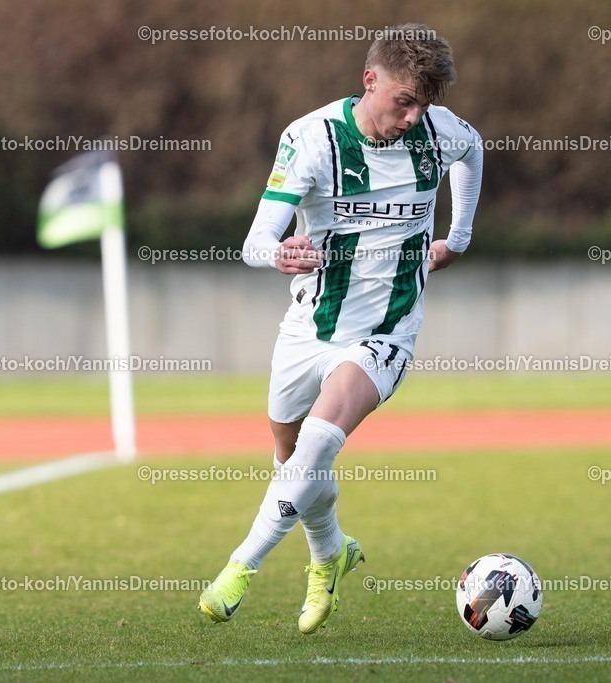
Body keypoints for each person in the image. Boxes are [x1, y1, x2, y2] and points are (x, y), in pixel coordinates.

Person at [198, 22, 483, 634]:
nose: (413, 116)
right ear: (369, 80)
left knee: (319, 443)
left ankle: (241, 566)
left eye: (423, 104)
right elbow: (254, 242)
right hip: (310, 325)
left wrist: (456, 238)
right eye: (404, 101)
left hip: (387, 329)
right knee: (292, 462)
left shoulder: (440, 133)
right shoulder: (312, 139)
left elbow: (473, 149)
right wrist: (279, 254)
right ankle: (331, 554)